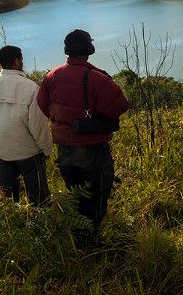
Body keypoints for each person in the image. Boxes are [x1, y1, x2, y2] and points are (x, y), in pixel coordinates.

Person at [37, 29, 129, 229]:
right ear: (89, 49)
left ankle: (77, 237)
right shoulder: (97, 78)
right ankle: (89, 242)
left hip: (65, 150)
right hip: (92, 150)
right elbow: (120, 106)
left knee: (75, 193)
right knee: (96, 196)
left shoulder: (51, 77)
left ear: (67, 50)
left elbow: (43, 106)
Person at [0, 45, 52, 206]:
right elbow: (38, 126)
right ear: (17, 61)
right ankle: (43, 227)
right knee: (40, 199)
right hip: (29, 154)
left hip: (3, 154)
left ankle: (14, 228)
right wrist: (46, 149)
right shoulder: (30, 87)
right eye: (21, 59)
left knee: (8, 203)